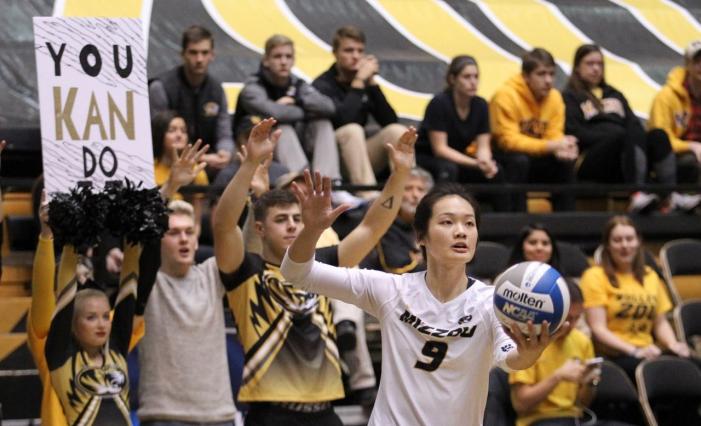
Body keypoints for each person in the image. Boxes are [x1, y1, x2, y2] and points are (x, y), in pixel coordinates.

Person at [281, 181, 567, 426]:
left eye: (469, 223)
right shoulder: (391, 289)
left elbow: (512, 361)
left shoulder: (492, 302)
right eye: (447, 222)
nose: (461, 231)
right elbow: (297, 272)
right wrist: (312, 230)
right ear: (421, 236)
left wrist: (532, 351)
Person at [215, 117, 416, 425]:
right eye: (281, 220)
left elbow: (372, 227)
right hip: (271, 414)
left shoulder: (320, 265)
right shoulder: (246, 270)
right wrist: (250, 164)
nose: (293, 225)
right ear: (260, 228)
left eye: (297, 218)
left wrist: (400, 174)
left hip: (325, 413)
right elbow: (223, 225)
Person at [136, 140, 243, 424]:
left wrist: (254, 190)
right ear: (159, 240)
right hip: (165, 417)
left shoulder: (211, 273)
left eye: (188, 232)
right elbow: (137, 236)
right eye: (173, 233)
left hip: (219, 415)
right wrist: (169, 186)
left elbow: (244, 244)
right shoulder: (147, 281)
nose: (183, 238)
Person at [563, 44, 693, 214]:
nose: (596, 69)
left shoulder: (614, 94)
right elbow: (575, 132)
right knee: (625, 135)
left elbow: (634, 124)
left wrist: (627, 139)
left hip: (623, 154)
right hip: (590, 157)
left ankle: (671, 194)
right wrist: (612, 138)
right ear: (577, 67)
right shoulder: (569, 96)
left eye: (600, 64)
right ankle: (637, 193)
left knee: (658, 135)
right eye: (590, 64)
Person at [43, 232, 142, 424]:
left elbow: (129, 287)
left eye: (106, 316)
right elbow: (64, 295)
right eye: (91, 318)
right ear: (73, 324)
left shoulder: (116, 349)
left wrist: (133, 238)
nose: (101, 324)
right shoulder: (61, 357)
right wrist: (71, 239)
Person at [580, 215, 691, 380]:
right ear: (608, 246)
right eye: (617, 240)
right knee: (661, 375)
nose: (624, 245)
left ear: (638, 242)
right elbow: (598, 329)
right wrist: (634, 350)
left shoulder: (650, 275)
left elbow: (660, 322)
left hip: (648, 351)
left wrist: (673, 344)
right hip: (615, 355)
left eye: (629, 239)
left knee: (691, 364)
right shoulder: (594, 276)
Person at [312, 25, 407, 193]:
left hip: (361, 157)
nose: (355, 56)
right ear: (335, 53)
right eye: (348, 51)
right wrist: (359, 81)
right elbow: (344, 120)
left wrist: (371, 82)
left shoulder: (364, 81)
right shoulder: (322, 85)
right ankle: (368, 197)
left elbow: (389, 120)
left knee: (397, 131)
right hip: (334, 161)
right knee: (352, 130)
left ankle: (407, 193)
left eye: (359, 51)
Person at [234, 34, 340, 181]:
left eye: (288, 56)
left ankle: (329, 183)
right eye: (277, 56)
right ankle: (299, 182)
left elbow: (329, 107)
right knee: (282, 128)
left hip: (296, 145)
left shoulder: (297, 85)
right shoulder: (253, 87)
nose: (283, 62)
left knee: (323, 123)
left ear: (293, 60)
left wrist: (297, 101)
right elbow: (276, 114)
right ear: (266, 61)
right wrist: (305, 111)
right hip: (258, 149)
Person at [416, 55, 510, 211]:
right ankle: (441, 213)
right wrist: (475, 164)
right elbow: (440, 149)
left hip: (459, 157)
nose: (473, 82)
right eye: (467, 77)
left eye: (476, 77)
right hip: (428, 157)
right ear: (453, 79)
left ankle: (506, 223)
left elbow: (483, 145)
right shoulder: (439, 103)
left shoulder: (480, 105)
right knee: (449, 169)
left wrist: (486, 163)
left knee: (496, 170)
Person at [509, 281, 610, 426]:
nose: (572, 325)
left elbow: (582, 404)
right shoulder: (530, 344)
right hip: (539, 420)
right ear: (553, 313)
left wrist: (589, 383)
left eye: (577, 318)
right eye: (568, 318)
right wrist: (558, 376)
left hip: (575, 418)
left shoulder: (582, 341)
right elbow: (521, 404)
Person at [490, 48, 578, 212]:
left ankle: (567, 226)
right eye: (541, 74)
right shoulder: (505, 96)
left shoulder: (555, 98)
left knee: (564, 164)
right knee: (519, 161)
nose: (548, 80)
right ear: (525, 76)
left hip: (536, 157)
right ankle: (517, 223)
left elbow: (554, 134)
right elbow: (507, 141)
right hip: (504, 158)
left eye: (552, 74)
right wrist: (551, 146)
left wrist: (562, 150)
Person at [149, 25, 233, 178]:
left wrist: (224, 153)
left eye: (204, 53)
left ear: (212, 55)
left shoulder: (217, 90)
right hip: (168, 165)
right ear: (183, 54)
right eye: (193, 53)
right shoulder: (161, 87)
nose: (199, 59)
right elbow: (159, 140)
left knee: (230, 173)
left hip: (208, 164)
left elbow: (224, 135)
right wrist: (198, 157)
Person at [649, 40, 701, 189]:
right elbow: (660, 139)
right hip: (675, 157)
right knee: (690, 163)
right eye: (697, 62)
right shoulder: (666, 97)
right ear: (687, 65)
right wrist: (692, 146)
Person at [361, 166, 433, 274]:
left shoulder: (430, 224)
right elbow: (396, 265)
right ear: (396, 193)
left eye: (420, 190)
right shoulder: (384, 223)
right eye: (408, 188)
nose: (415, 195)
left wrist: (421, 259)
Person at [151, 110, 209, 230]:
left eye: (183, 131)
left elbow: (196, 223)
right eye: (172, 130)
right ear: (159, 134)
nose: (179, 135)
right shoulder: (148, 169)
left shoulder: (195, 171)